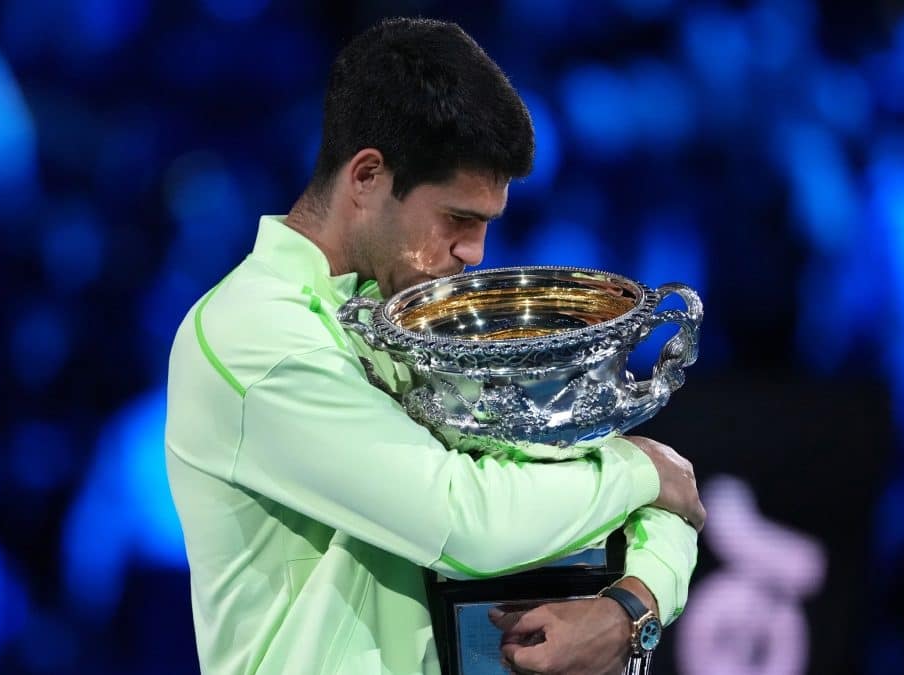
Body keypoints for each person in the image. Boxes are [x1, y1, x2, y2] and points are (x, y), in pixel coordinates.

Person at [164, 17, 704, 675]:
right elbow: (464, 523)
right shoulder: (252, 335)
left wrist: (632, 606)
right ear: (366, 177)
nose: (473, 254)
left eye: (485, 225)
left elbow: (666, 497)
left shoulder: (424, 318)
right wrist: (637, 470)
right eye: (457, 219)